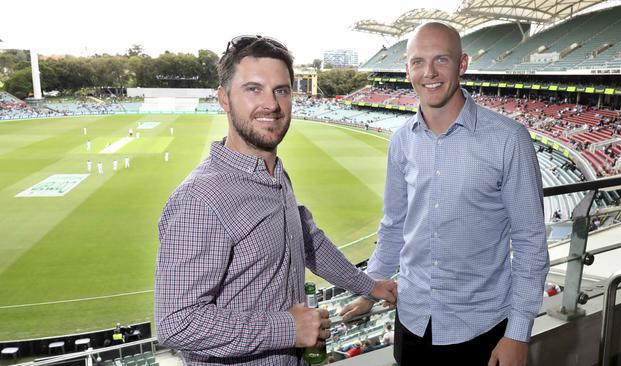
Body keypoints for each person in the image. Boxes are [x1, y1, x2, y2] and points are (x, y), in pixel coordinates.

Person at [154, 35, 397, 366]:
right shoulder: (200, 199)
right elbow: (177, 323)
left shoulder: (274, 173)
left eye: (281, 90)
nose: (271, 104)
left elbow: (307, 239)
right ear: (224, 98)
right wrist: (288, 328)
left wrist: (370, 286)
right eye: (253, 89)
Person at [340, 22, 549, 366]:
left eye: (441, 60)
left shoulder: (509, 139)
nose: (430, 73)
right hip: (412, 323)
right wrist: (370, 288)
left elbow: (529, 241)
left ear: (462, 64)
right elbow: (394, 226)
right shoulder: (401, 142)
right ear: (407, 69)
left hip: (481, 330)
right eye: (418, 62)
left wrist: (518, 333)